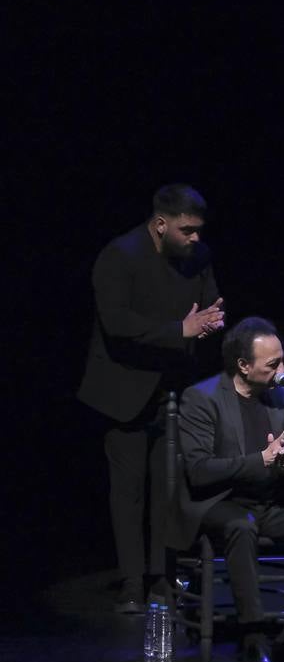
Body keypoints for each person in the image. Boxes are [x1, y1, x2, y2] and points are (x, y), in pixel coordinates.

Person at [77, 184, 227, 613]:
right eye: (187, 230)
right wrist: (180, 330)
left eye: (199, 230)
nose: (195, 238)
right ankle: (131, 581)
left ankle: (161, 576)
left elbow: (209, 307)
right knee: (129, 492)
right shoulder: (119, 256)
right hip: (124, 390)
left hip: (174, 391)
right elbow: (117, 323)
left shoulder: (198, 257)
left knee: (167, 490)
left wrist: (211, 322)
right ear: (161, 225)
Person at [169, 317, 284, 662]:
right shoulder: (202, 398)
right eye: (273, 364)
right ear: (243, 366)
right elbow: (200, 471)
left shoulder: (282, 398)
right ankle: (252, 635)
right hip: (218, 502)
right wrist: (261, 461)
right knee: (241, 526)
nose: (283, 370)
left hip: (269, 503)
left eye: (282, 360)